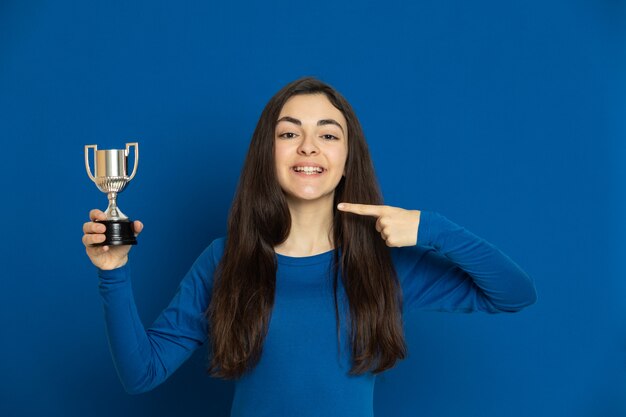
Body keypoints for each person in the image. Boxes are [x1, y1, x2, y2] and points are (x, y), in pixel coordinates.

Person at [82, 77, 537, 417]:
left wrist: (430, 227)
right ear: (269, 153)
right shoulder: (224, 260)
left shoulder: (384, 263)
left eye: (328, 134)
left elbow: (514, 293)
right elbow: (141, 374)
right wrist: (113, 271)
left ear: (345, 159)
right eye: (288, 133)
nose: (307, 147)